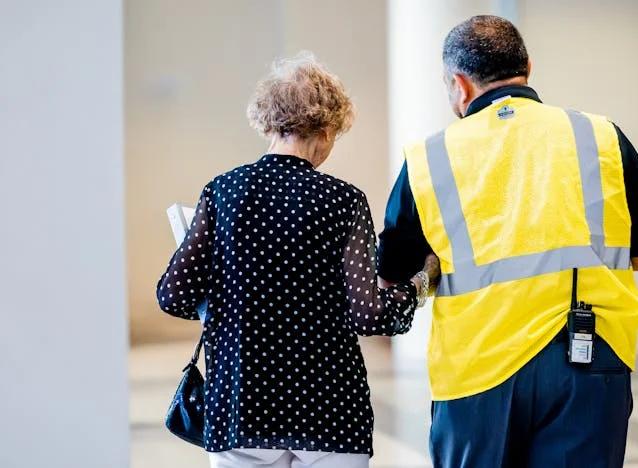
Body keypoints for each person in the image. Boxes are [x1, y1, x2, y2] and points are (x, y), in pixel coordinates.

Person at [378, 15, 638, 468]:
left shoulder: (428, 159)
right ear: (528, 67)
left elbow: (391, 272)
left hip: (478, 369)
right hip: (590, 356)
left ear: (459, 85)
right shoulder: (600, 136)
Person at [156, 52, 440, 468]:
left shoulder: (222, 193)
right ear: (326, 130)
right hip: (330, 413)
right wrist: (421, 284)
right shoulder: (343, 200)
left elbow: (173, 296)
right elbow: (369, 316)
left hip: (240, 405)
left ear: (269, 121)